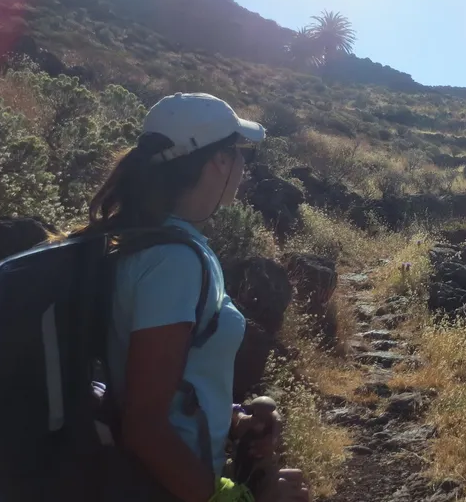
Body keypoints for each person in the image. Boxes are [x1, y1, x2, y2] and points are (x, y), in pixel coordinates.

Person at [72, 92, 309, 502]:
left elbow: (147, 382)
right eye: (241, 154)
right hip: (162, 487)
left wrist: (232, 419)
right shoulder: (172, 260)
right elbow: (144, 426)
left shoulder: (143, 240)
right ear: (219, 160)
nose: (243, 167)